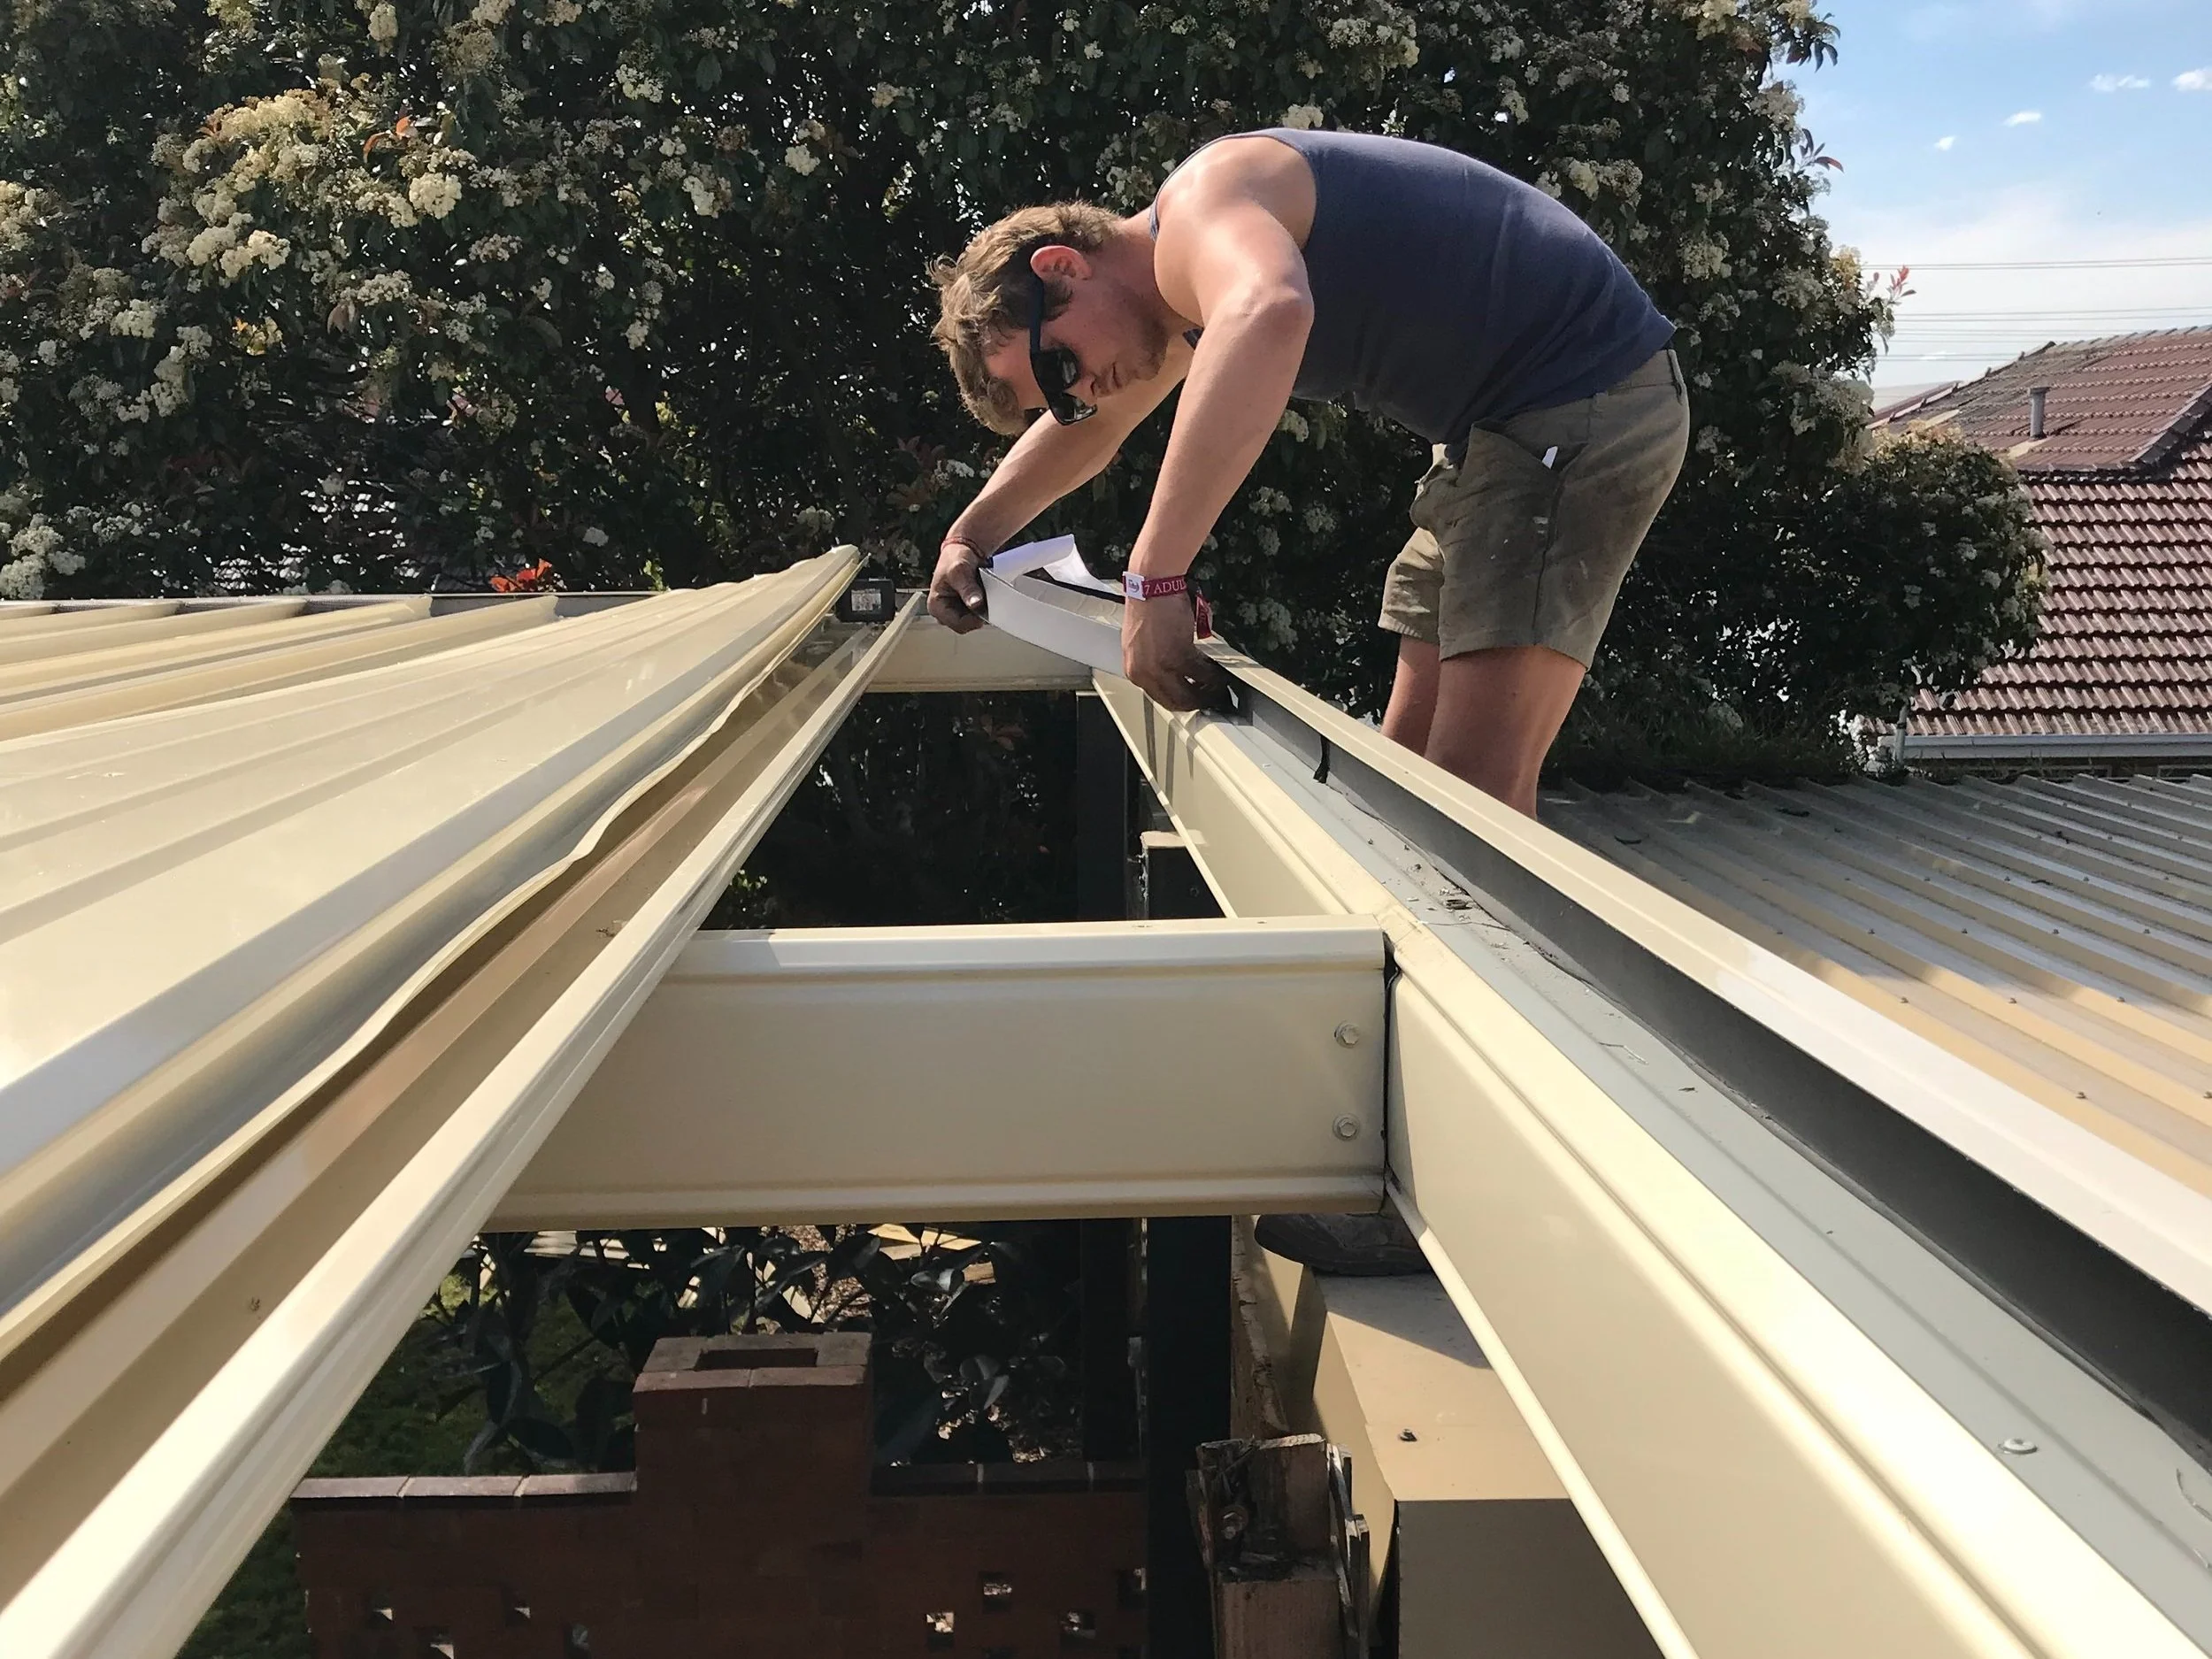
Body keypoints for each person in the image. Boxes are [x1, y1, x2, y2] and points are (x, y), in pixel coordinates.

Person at [926, 127, 1689, 818]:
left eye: (1062, 367)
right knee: (1406, 784)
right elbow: (1102, 428)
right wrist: (968, 538)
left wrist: (1154, 579)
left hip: (1580, 393)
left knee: (1474, 802)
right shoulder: (1180, 297)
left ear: (1063, 266)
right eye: (1060, 401)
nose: (1083, 393)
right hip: (1493, 435)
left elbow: (1270, 311)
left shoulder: (1203, 206)